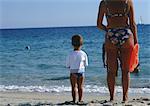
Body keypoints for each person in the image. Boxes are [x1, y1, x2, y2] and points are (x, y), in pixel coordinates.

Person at [97, 0, 138, 102]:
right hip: (126, 34)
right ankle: (125, 97)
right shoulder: (128, 1)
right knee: (125, 70)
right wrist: (136, 42)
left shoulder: (104, 3)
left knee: (111, 71)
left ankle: (111, 97)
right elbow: (132, 23)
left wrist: (109, 30)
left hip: (111, 34)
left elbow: (99, 24)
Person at [66, 34, 88, 104]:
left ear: (72, 44)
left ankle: (74, 100)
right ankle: (80, 100)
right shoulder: (83, 53)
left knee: (73, 87)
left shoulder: (70, 53)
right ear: (82, 44)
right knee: (80, 87)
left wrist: (71, 67)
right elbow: (86, 64)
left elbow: (67, 64)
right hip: (81, 71)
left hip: (73, 71)